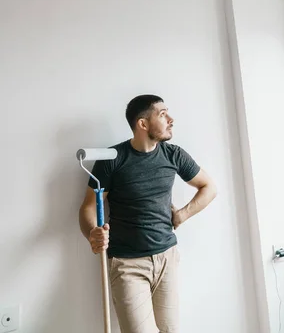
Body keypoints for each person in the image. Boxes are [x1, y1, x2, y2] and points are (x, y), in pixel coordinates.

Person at [79, 94, 217, 333]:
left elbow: (209, 187)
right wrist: (92, 232)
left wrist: (183, 214)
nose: (171, 119)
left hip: (167, 257)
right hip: (127, 264)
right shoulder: (112, 159)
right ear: (143, 124)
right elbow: (89, 207)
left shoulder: (173, 155)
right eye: (162, 114)